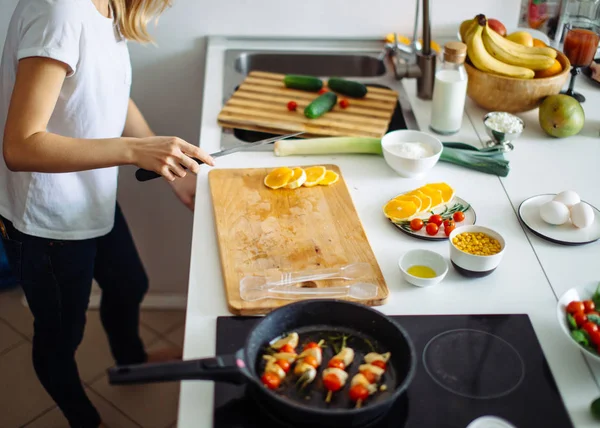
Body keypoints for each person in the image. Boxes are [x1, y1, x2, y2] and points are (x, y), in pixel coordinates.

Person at [0, 0, 214, 426]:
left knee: (129, 283)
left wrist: (168, 164)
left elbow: (110, 90)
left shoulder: (107, 6)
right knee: (61, 339)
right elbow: (20, 146)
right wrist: (136, 152)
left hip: (89, 197)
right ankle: (85, 419)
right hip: (48, 222)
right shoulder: (58, 11)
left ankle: (131, 363)